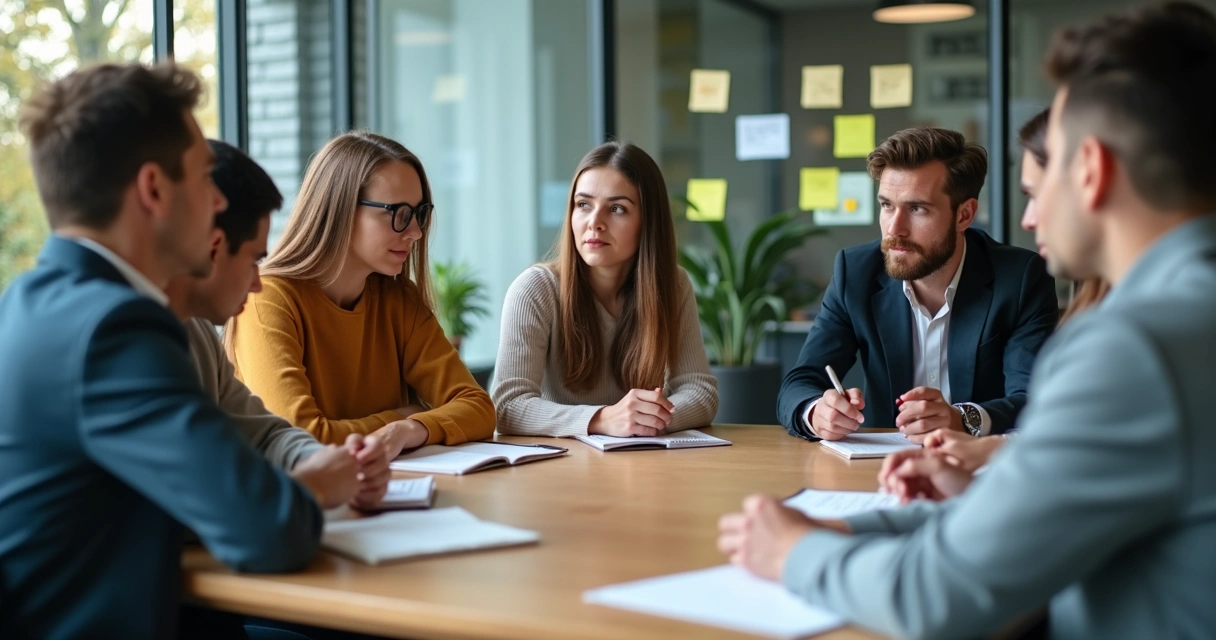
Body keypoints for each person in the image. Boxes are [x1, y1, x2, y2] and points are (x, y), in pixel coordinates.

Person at [719, 3, 1216, 637]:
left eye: (1044, 180)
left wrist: (794, 553)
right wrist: (847, 518)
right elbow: (1052, 505)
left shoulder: (1134, 347)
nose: (1031, 216)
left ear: (1090, 171)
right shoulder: (1188, 314)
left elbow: (938, 598)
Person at [0, 62, 325, 639]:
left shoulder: (26, 302)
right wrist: (319, 487)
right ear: (153, 189)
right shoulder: (115, 328)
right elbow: (269, 528)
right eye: (205, 178)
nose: (215, 200)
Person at [776, 127, 1058, 443]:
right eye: (886, 205)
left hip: (981, 471)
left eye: (917, 209)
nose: (895, 229)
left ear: (964, 215)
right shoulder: (856, 273)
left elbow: (1033, 398)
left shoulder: (1019, 278)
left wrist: (962, 418)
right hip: (881, 470)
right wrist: (817, 412)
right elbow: (800, 383)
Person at [228, 132, 494, 460]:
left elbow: (478, 407)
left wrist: (409, 429)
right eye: (398, 213)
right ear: (340, 210)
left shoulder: (398, 300)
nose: (416, 232)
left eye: (419, 213)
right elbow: (300, 436)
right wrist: (399, 417)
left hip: (385, 493)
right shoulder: (266, 299)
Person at [164, 139, 389, 509]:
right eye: (254, 260)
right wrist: (311, 487)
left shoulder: (197, 328)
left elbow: (266, 434)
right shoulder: (123, 339)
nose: (257, 282)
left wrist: (324, 462)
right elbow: (197, 501)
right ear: (214, 248)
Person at [921, 107, 1114, 472]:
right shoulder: (1099, 305)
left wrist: (805, 532)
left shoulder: (1139, 330)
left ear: (1094, 176)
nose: (1027, 219)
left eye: (1038, 194)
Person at [493, 141, 717, 437]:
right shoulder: (534, 290)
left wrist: (646, 420)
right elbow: (507, 406)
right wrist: (602, 419)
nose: (594, 223)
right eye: (583, 205)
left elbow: (701, 391)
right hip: (557, 470)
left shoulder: (673, 286)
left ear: (648, 222)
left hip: (642, 467)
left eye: (617, 208)